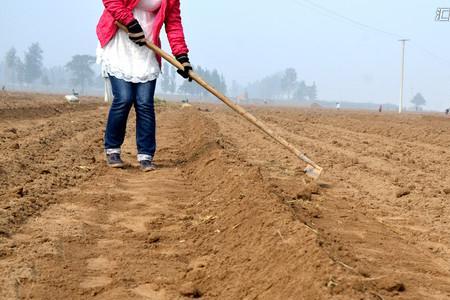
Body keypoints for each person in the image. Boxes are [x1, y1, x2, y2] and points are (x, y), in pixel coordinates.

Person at [96, 0, 192, 171]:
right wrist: (131, 23)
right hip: (121, 39)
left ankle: (146, 156)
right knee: (124, 98)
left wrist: (182, 56)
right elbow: (111, 2)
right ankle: (113, 150)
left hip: (147, 46)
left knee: (144, 103)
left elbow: (173, 24)